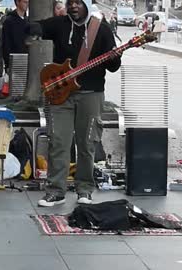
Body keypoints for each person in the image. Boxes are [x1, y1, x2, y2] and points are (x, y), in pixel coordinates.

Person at [33, 0, 121, 206]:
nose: (73, 6)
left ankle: (84, 189)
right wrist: (29, 29)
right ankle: (56, 191)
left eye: (78, 3)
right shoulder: (61, 24)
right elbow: (36, 27)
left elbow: (114, 67)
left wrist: (114, 57)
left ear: (87, 5)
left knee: (86, 144)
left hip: (91, 94)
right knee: (58, 142)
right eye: (70, 2)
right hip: (61, 94)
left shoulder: (102, 29)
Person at [1, 0, 29, 71]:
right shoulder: (9, 21)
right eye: (25, 2)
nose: (27, 4)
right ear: (17, 2)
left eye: (28, 2)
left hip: (27, 61)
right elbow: (6, 44)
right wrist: (8, 64)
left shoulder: (28, 20)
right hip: (14, 61)